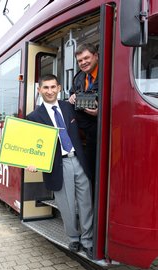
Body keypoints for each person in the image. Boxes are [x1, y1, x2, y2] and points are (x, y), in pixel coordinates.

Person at [26, 74, 93, 259]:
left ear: (59, 88)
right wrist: (32, 162)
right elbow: (31, 146)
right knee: (67, 206)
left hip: (79, 160)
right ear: (39, 90)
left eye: (53, 87)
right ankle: (73, 238)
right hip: (58, 165)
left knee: (86, 203)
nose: (49, 91)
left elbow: (88, 124)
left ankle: (88, 241)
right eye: (45, 88)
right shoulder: (34, 117)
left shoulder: (68, 107)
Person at [69, 43, 98, 192]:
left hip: (101, 131)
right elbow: (71, 95)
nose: (83, 62)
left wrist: (100, 112)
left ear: (96, 56)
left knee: (94, 172)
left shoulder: (108, 72)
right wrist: (72, 98)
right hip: (83, 134)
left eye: (86, 58)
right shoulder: (78, 77)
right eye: (80, 61)